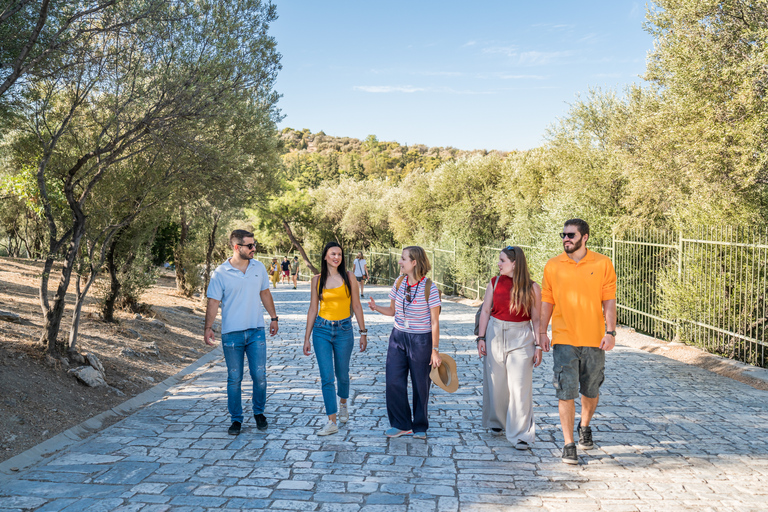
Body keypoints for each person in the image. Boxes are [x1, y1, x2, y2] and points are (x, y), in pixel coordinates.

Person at [540, 218, 617, 465]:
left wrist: (611, 332)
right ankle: (568, 443)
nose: (566, 239)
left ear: (584, 237)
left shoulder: (603, 263)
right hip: (564, 339)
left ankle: (585, 426)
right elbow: (546, 301)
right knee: (565, 391)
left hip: (595, 339)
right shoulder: (553, 266)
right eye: (563, 234)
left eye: (571, 235)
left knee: (591, 390)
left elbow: (609, 301)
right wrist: (542, 332)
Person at [204, 230, 279, 436]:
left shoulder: (259, 267)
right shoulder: (220, 273)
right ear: (237, 248)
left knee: (260, 375)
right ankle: (236, 419)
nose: (254, 249)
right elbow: (213, 302)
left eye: (254, 245)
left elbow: (264, 292)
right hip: (232, 334)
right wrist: (208, 328)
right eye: (250, 246)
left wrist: (274, 317)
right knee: (234, 378)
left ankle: (259, 413)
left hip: (256, 331)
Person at [368, 246, 441, 439]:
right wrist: (376, 308)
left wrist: (435, 350)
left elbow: (434, 322)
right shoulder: (399, 282)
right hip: (398, 337)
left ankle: (419, 426)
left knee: (420, 384)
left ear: (414, 262)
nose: (400, 262)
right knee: (393, 381)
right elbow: (393, 311)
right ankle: (401, 424)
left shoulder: (429, 288)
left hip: (421, 340)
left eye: (403, 259)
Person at [476, 246, 542, 450]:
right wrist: (481, 338)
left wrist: (538, 345)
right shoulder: (494, 283)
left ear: (514, 263)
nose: (499, 263)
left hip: (521, 336)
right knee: (496, 384)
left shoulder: (532, 287)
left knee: (519, 386)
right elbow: (486, 310)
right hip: (495, 332)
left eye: (502, 260)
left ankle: (521, 434)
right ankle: (497, 422)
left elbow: (537, 319)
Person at [303, 242, 368, 436]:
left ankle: (343, 403)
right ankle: (331, 421)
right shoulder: (317, 280)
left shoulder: (349, 277)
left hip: (344, 330)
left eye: (339, 254)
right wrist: (306, 337)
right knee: (326, 377)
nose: (336, 257)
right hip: (322, 330)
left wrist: (363, 332)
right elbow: (313, 309)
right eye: (332, 254)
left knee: (342, 374)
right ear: (325, 256)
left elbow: (356, 306)